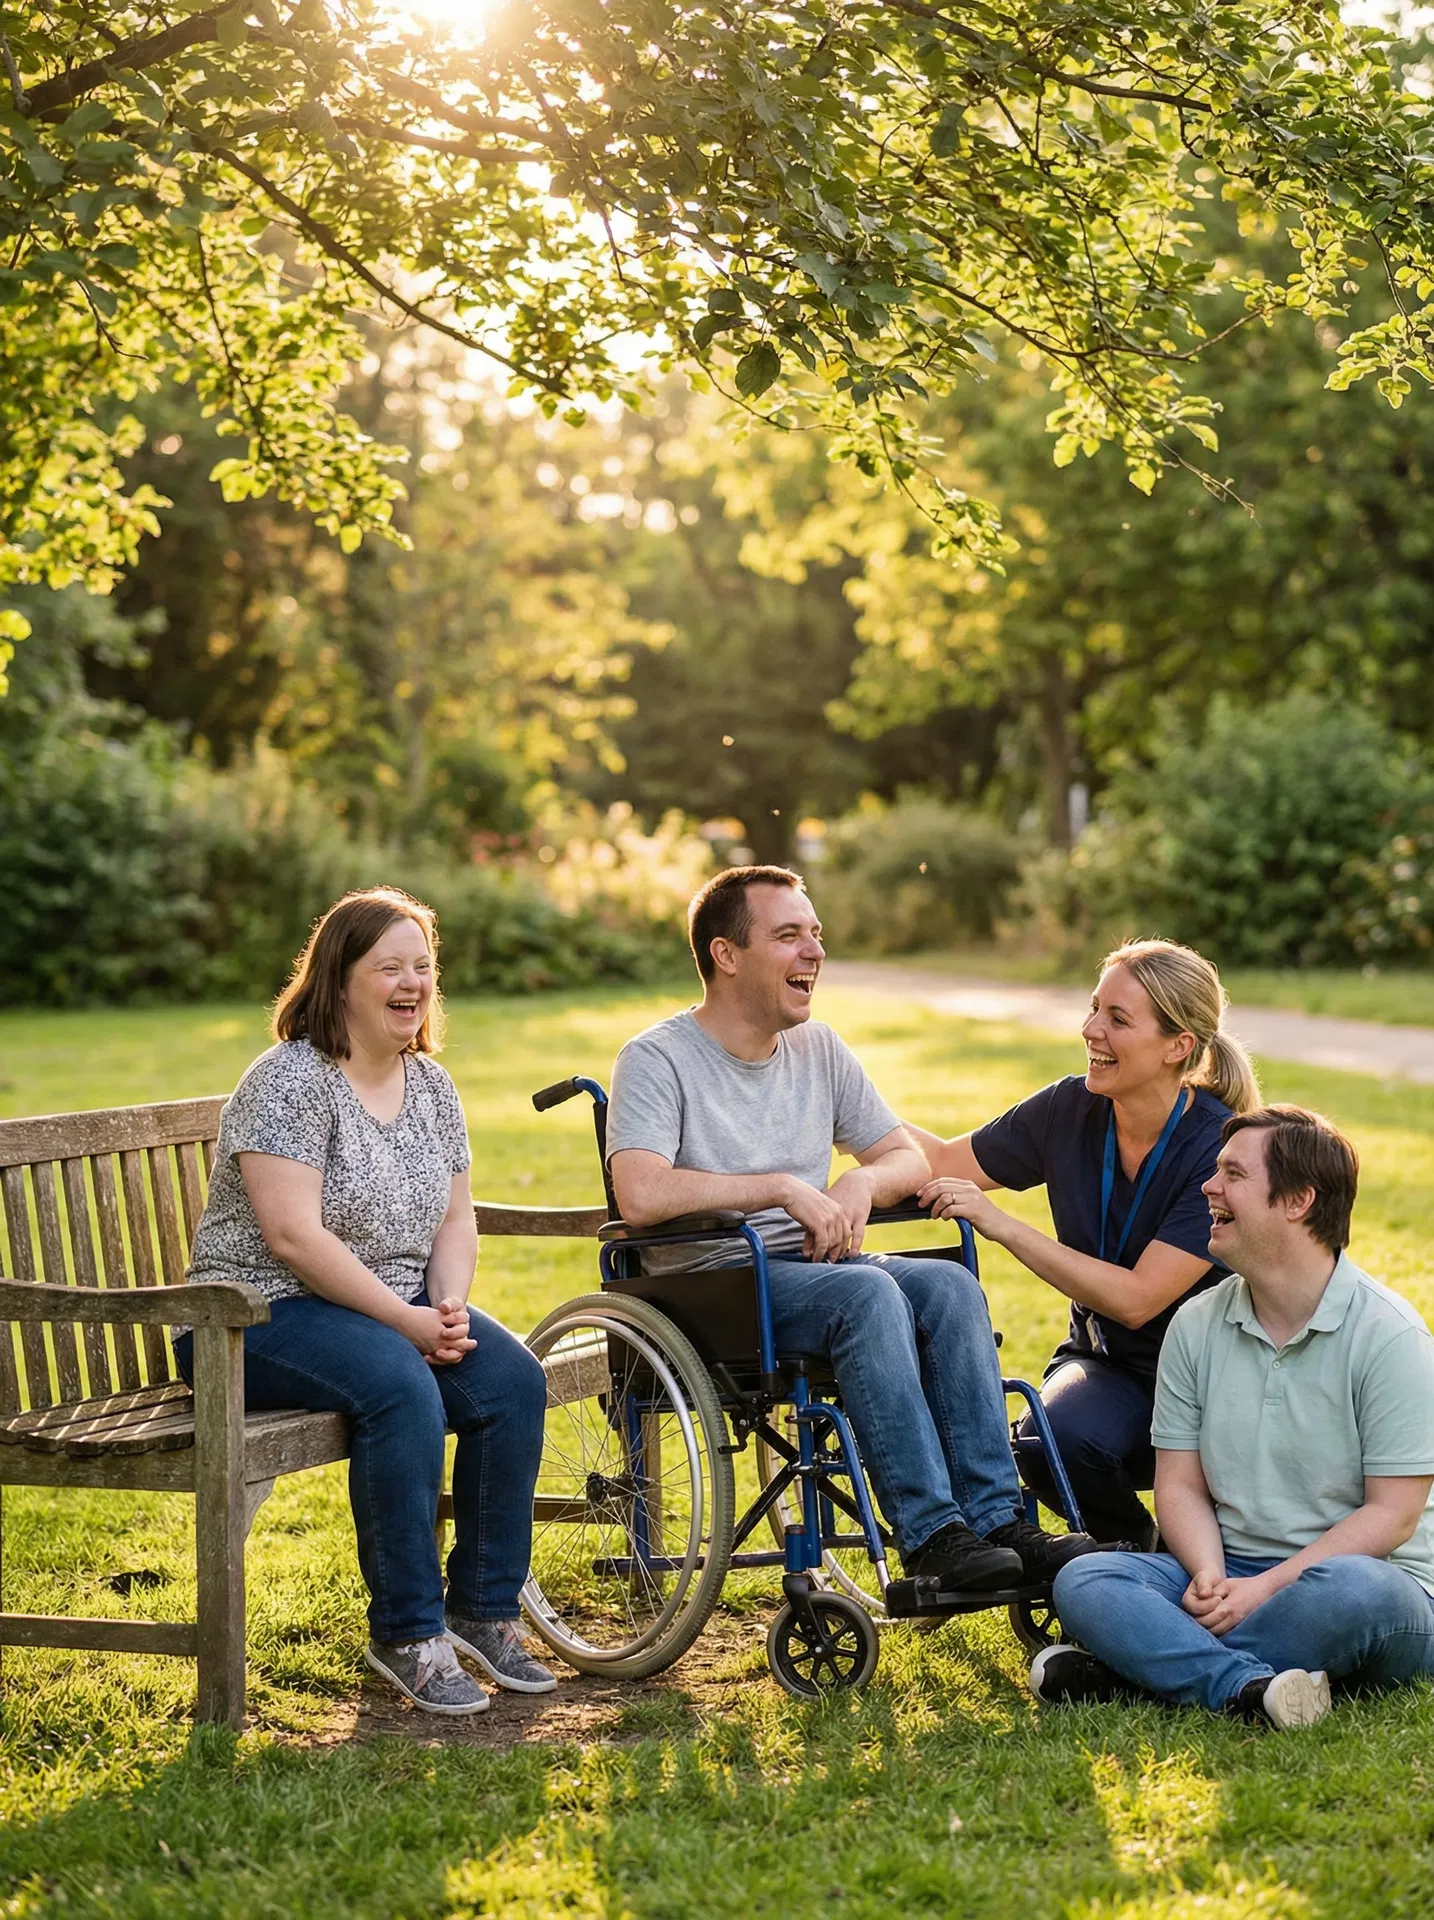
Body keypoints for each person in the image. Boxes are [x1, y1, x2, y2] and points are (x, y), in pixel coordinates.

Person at [605, 864, 1098, 1596]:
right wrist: (780, 1188)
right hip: (710, 1287)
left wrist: (859, 1183)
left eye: (817, 935)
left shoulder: (820, 1050)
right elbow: (640, 1193)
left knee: (947, 1286)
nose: (814, 953)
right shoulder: (657, 1058)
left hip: (816, 1272)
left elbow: (905, 1154)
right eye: (789, 936)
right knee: (867, 1296)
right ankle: (932, 1535)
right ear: (726, 954)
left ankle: (997, 1522)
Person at [181, 886, 553, 1716]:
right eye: (390, 966)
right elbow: (292, 1238)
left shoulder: (431, 1086)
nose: (411, 982)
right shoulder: (290, 1080)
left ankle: (483, 1613)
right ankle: (407, 1634)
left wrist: (446, 1307)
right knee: (398, 1383)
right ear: (339, 979)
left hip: (394, 1307)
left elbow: (458, 1218)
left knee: (510, 1383)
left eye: (423, 966)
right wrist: (405, 1321)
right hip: (255, 1316)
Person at [1032, 1105, 1434, 1730]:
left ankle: (1134, 1676)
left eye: (1232, 1174)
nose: (1207, 1187)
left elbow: (1393, 1515)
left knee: (1359, 1593)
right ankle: (1245, 1687)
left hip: (1365, 1584)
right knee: (1087, 1577)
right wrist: (1211, 1573)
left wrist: (1266, 1590)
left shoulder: (1390, 1336)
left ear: (1298, 1200)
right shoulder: (1195, 1324)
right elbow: (1180, 1484)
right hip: (1230, 1573)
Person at [909, 940, 1260, 1547]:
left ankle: (1168, 1562)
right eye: (1095, 1008)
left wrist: (1003, 1224)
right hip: (1108, 1365)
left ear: (1179, 1046)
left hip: (1215, 1381)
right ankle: (1137, 1552)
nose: (1090, 1029)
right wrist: (843, 1106)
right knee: (1048, 1439)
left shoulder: (1216, 1145)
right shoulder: (1068, 1107)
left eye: (1117, 1020)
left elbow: (1137, 1299)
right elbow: (940, 1160)